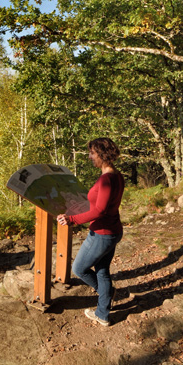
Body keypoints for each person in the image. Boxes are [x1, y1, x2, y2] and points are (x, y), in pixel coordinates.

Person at [58, 137, 125, 327]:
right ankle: (103, 313)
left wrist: (72, 220)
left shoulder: (106, 179)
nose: (90, 157)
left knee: (79, 269)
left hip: (102, 234)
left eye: (93, 153)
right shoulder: (117, 176)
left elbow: (100, 210)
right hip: (112, 231)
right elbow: (105, 206)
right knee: (102, 271)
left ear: (102, 155)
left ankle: (106, 295)